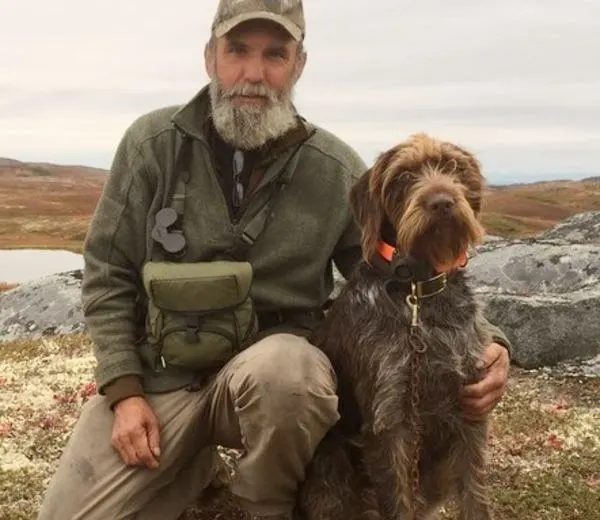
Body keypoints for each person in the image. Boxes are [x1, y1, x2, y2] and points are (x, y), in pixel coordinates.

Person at [37, 1, 512, 519]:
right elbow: (107, 275)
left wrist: (492, 345)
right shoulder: (151, 146)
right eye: (237, 50)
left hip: (271, 387)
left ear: (298, 65)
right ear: (209, 56)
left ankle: (269, 507)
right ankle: (191, 465)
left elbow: (406, 270)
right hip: (161, 380)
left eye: (275, 54)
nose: (254, 73)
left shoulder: (333, 168)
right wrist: (124, 392)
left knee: (291, 373)